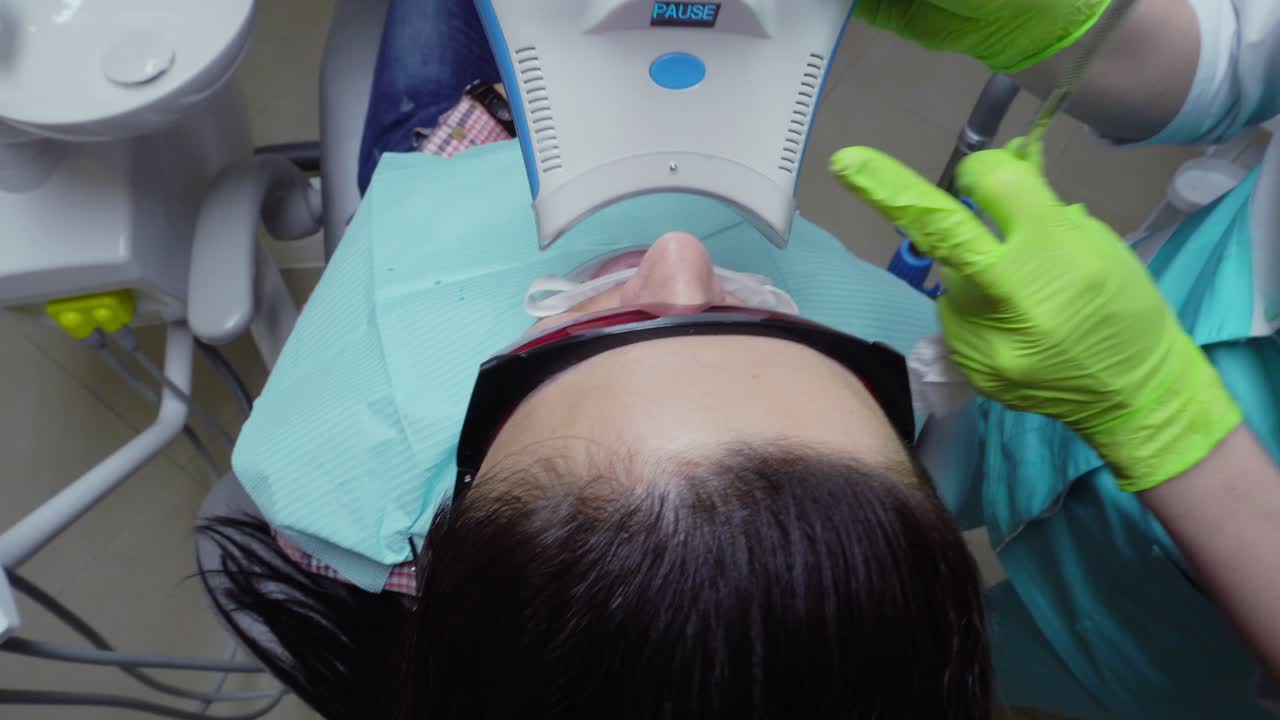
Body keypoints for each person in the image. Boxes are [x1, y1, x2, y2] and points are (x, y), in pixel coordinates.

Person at [197, 1, 991, 719]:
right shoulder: (914, 384)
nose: (679, 256)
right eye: (775, 321)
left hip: (461, 155)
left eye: (583, 333)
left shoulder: (355, 506)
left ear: (457, 514)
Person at [840, 0, 1280, 716]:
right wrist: (1050, 23)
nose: (682, 263)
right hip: (1078, 353)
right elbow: (1249, 57)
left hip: (1176, 648)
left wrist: (1166, 423)